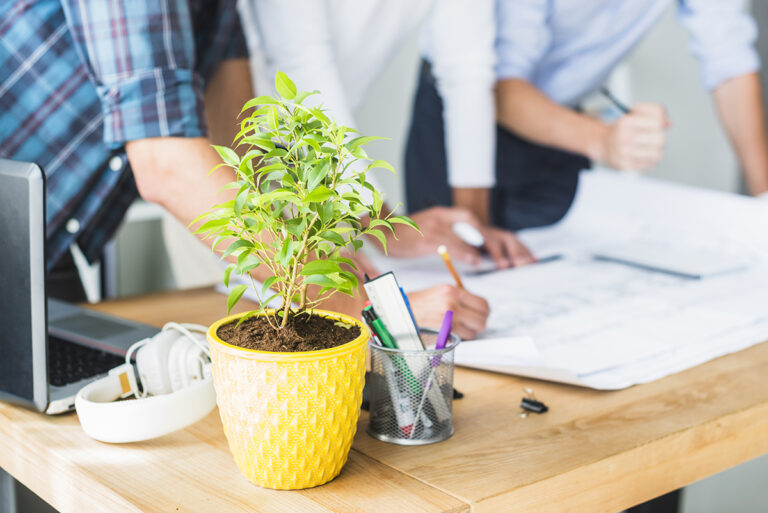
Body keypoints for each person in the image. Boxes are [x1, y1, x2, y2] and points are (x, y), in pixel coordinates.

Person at [0, 0, 489, 339]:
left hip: (42, 246)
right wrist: (371, 312)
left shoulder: (220, 9)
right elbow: (166, 164)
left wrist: (319, 254)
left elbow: (236, 142)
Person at [406, 0, 768, 235]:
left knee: (555, 280)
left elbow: (729, 59)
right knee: (456, 278)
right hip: (461, 119)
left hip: (564, 128)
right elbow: (491, 84)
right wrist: (602, 140)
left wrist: (763, 202)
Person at [244, 0, 536, 278]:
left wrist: (473, 228)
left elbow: (467, 69)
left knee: (348, 291)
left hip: (321, 157)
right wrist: (382, 226)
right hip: (247, 152)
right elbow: (299, 65)